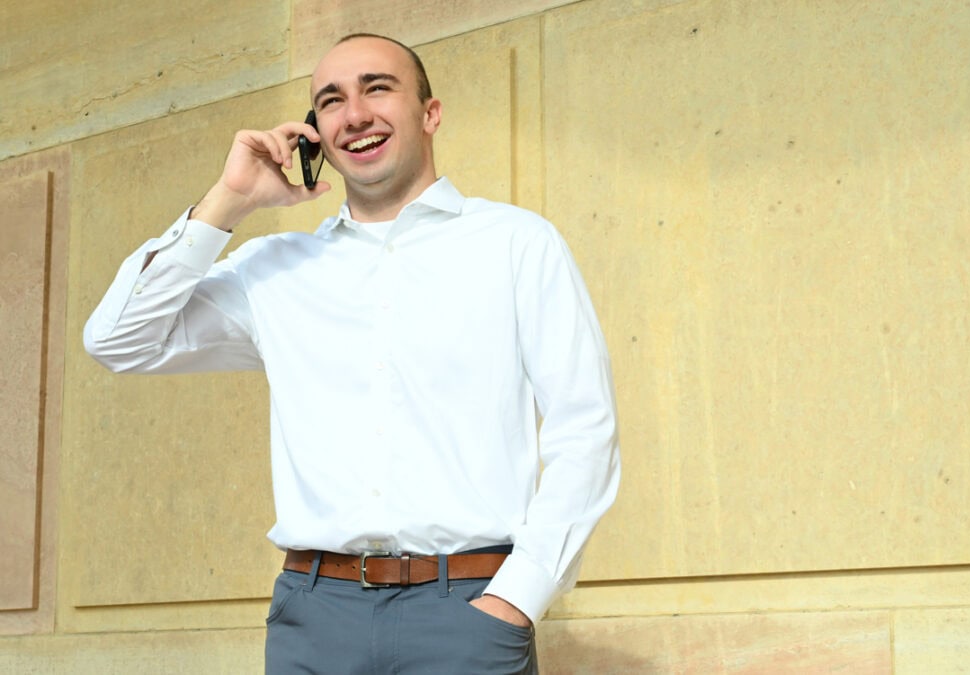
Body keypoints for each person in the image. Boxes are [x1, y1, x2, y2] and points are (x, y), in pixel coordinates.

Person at [83, 33, 620, 674]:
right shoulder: (274, 270)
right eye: (331, 100)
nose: (355, 114)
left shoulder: (516, 244)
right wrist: (229, 200)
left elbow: (583, 426)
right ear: (316, 132)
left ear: (430, 113)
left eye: (377, 87)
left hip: (469, 614)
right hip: (314, 618)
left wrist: (519, 597)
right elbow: (117, 338)